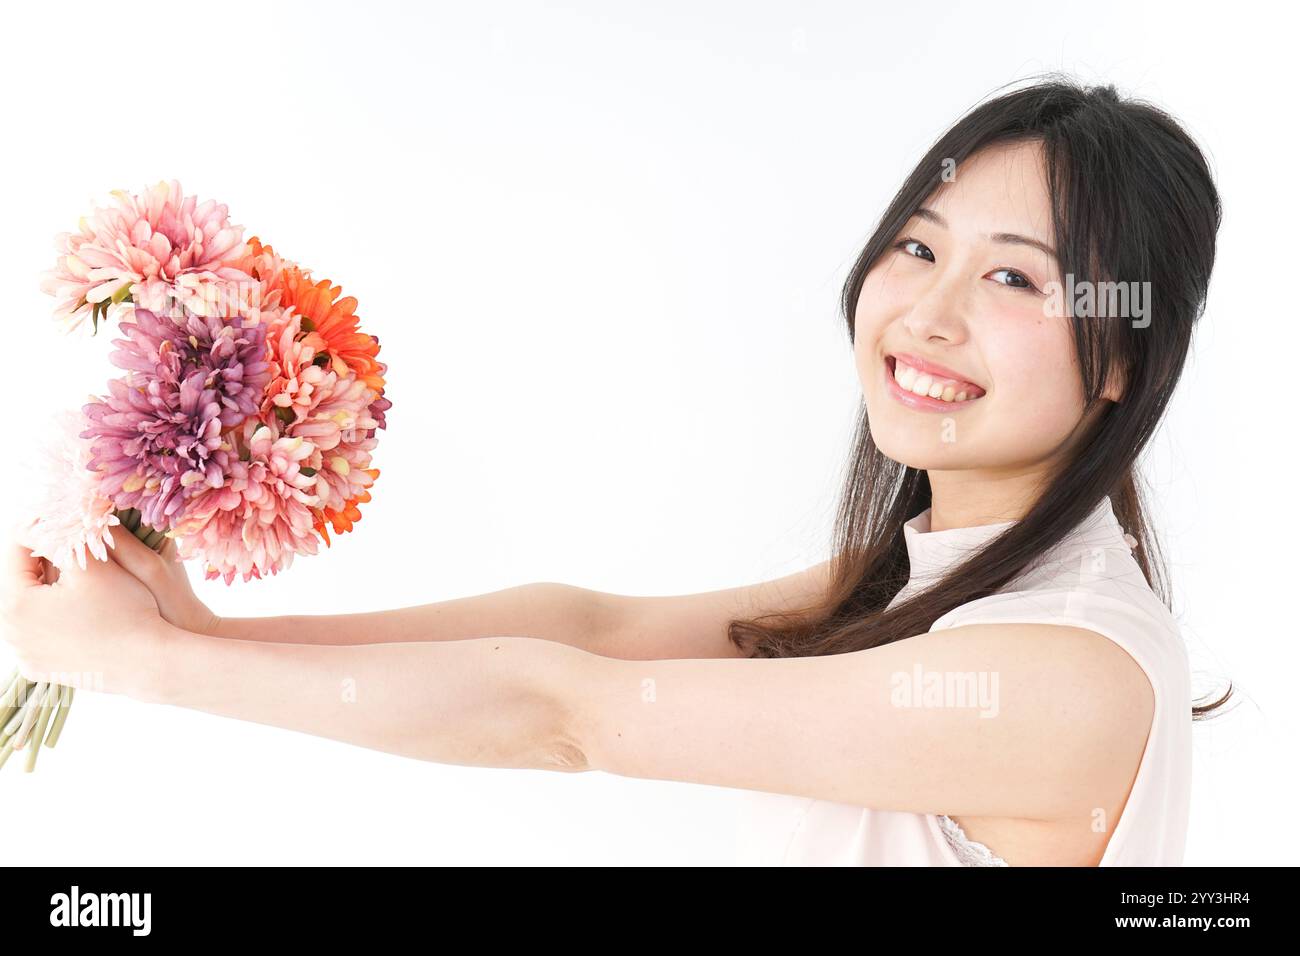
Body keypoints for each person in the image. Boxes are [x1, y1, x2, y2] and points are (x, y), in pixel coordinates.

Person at [0, 75, 1229, 866]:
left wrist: (148, 668)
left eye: (1014, 276)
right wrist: (204, 633)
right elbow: (593, 627)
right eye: (918, 245)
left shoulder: (1059, 669)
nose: (928, 312)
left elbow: (565, 712)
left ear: (1123, 354)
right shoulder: (933, 584)